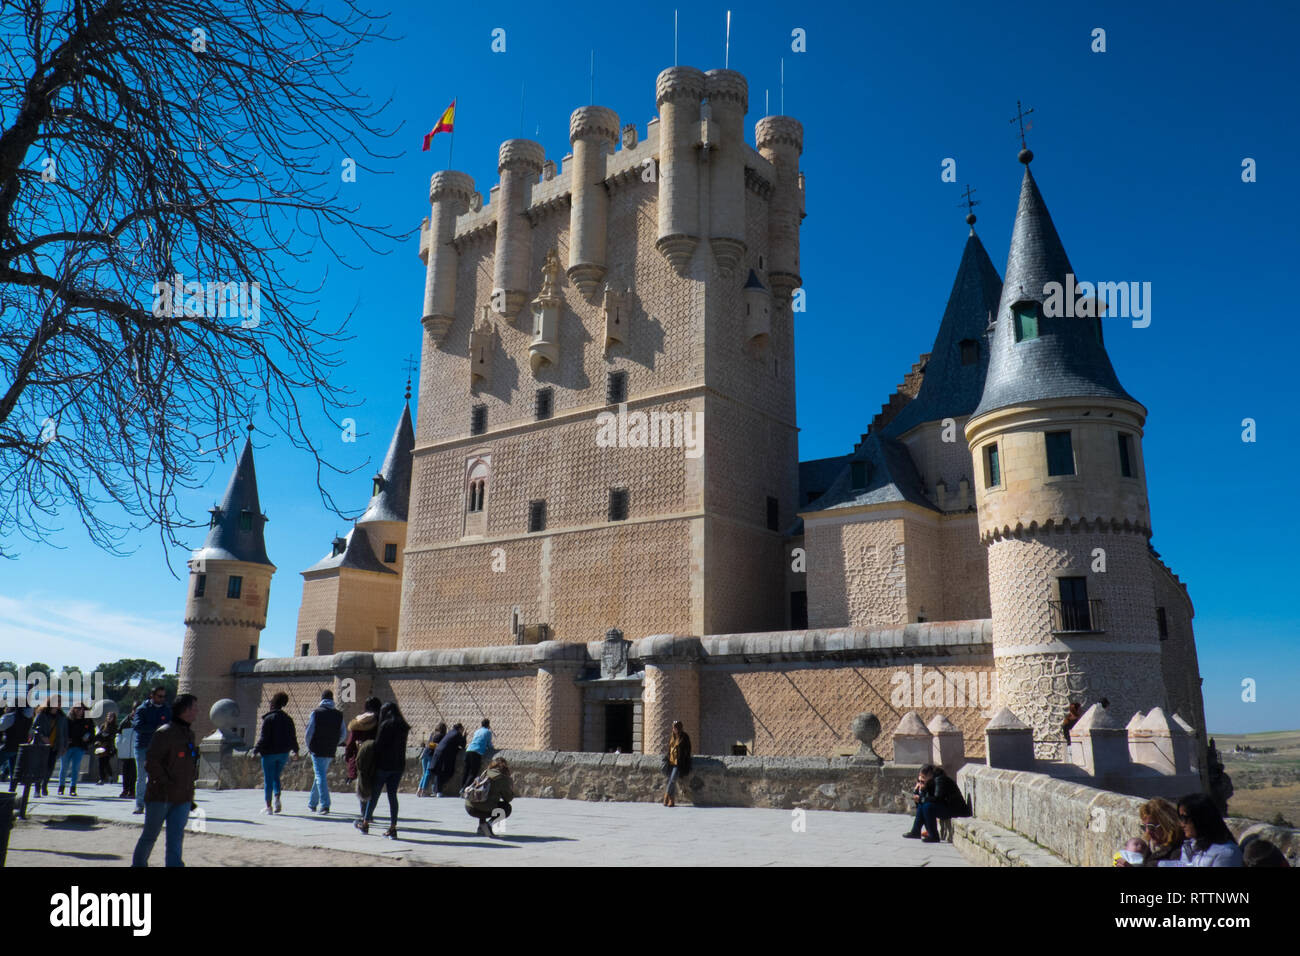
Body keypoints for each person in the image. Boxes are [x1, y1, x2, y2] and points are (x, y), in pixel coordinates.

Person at [131, 693, 199, 867]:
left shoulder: (189, 734)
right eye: (193, 708)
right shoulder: (164, 733)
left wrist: (189, 794)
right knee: (150, 836)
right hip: (161, 796)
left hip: (182, 797)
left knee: (176, 838)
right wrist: (166, 783)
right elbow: (151, 762)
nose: (196, 711)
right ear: (183, 710)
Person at [357, 701, 409, 838]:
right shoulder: (403, 726)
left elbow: (378, 746)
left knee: (374, 795)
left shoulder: (386, 725)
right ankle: (393, 827)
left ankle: (365, 823)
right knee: (392, 796)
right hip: (398, 766)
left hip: (383, 766)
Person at [1156, 793, 1243, 867]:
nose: (1181, 824)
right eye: (1180, 818)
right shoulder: (1191, 845)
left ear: (1200, 818)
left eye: (1184, 818)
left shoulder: (1226, 853)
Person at [251, 691, 299, 814]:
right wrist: (296, 750)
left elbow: (263, 738)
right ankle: (277, 799)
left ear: (273, 704)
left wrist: (255, 750)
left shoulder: (268, 718)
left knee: (268, 779)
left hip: (269, 754)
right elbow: (293, 736)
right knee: (276, 776)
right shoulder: (288, 719)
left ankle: (268, 806)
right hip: (283, 753)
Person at [902, 764, 969, 842]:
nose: (921, 781)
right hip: (945, 806)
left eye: (923, 778)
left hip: (955, 809)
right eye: (920, 780)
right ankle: (915, 831)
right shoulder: (930, 783)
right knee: (922, 805)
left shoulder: (940, 780)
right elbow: (925, 800)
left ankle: (933, 836)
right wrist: (918, 791)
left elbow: (938, 798)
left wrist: (921, 798)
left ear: (929, 775)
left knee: (927, 807)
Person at [131, 687, 171, 814]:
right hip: (143, 746)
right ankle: (140, 805)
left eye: (164, 696)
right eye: (159, 696)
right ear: (152, 696)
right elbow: (137, 726)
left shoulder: (167, 709)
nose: (162, 699)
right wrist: (155, 728)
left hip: (160, 748)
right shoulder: (142, 709)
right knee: (142, 777)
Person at [304, 689, 345, 814]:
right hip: (330, 750)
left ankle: (325, 804)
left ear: (322, 699)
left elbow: (309, 733)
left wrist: (309, 746)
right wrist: (335, 743)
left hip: (317, 749)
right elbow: (343, 734)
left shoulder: (316, 713)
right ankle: (312, 803)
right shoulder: (339, 715)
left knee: (320, 775)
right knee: (320, 775)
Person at [343, 696, 381, 815]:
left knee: (362, 785)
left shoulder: (358, 723)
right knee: (374, 786)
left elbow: (350, 743)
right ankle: (369, 813)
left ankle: (364, 812)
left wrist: (348, 757)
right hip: (376, 758)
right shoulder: (381, 722)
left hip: (360, 757)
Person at [464, 755, 514, 838]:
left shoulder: (486, 772)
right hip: (484, 808)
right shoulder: (503, 778)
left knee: (483, 799)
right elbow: (508, 798)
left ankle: (481, 827)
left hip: (469, 806)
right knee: (507, 808)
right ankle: (488, 824)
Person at [31, 698, 68, 797]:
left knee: (50, 768)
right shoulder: (42, 714)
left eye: (60, 702)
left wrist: (64, 746)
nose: (59, 704)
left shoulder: (62, 717)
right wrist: (42, 737)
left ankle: (44, 785)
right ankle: (37, 788)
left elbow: (65, 733)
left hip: (55, 746)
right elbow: (34, 728)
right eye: (57, 702)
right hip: (42, 746)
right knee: (40, 768)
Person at [59, 703, 95, 795]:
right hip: (68, 746)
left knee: (76, 768)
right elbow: (62, 731)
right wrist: (65, 741)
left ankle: (73, 788)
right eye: (78, 709)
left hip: (80, 746)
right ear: (73, 709)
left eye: (82, 709)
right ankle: (61, 787)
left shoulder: (87, 720)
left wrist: (88, 737)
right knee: (64, 768)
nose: (80, 711)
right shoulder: (68, 719)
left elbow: (92, 733)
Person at [1, 703, 34, 783]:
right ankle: (12, 788)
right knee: (14, 770)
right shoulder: (29, 719)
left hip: (8, 746)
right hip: (21, 747)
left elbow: (1, 726)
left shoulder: (10, 717)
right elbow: (31, 732)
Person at [431, 722, 466, 797]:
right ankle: (438, 791)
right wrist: (465, 736)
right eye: (462, 729)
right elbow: (463, 745)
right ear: (460, 729)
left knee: (439, 772)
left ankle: (436, 790)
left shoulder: (450, 732)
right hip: (445, 754)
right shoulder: (457, 734)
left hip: (439, 752)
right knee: (447, 772)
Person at [663, 720, 692, 807]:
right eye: (673, 727)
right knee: (671, 780)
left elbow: (688, 750)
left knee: (672, 780)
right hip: (671, 762)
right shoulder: (672, 737)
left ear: (679, 728)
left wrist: (684, 759)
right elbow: (670, 749)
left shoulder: (684, 737)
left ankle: (666, 796)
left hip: (678, 763)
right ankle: (671, 801)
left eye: (675, 727)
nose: (673, 729)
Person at [462, 718, 494, 790]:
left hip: (468, 750)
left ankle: (461, 788)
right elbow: (489, 744)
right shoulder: (488, 732)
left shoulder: (477, 731)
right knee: (473, 773)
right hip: (476, 752)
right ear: (488, 725)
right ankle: (464, 789)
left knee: (466, 771)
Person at [418, 722, 447, 797]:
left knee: (424, 773)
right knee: (427, 773)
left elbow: (429, 744)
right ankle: (423, 791)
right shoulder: (442, 736)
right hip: (431, 755)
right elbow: (438, 745)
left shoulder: (433, 733)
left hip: (425, 753)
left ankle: (419, 790)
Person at [116, 715, 138, 799]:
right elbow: (118, 733)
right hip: (125, 751)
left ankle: (132, 791)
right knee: (125, 772)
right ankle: (125, 790)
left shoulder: (140, 720)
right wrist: (118, 744)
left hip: (134, 751)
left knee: (133, 773)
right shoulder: (125, 722)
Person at [95, 712, 119, 784]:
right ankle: (102, 778)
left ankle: (109, 776)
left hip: (109, 747)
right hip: (101, 745)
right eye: (108, 716)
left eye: (111, 716)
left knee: (106, 762)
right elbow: (98, 735)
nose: (109, 718)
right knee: (100, 762)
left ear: (114, 718)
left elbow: (114, 736)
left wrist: (107, 736)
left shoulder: (115, 726)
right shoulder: (103, 725)